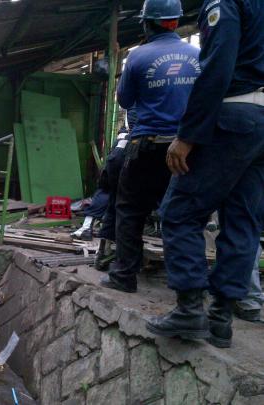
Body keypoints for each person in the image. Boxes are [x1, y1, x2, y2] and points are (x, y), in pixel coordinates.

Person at [146, 0, 264, 348]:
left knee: (180, 212)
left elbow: (217, 66)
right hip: (260, 127)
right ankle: (221, 320)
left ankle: (189, 309)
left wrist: (187, 135)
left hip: (233, 115)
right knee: (242, 220)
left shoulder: (226, 2)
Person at [100, 0, 200, 293]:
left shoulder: (139, 56)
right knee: (185, 215)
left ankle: (124, 276)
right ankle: (186, 289)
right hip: (189, 149)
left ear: (147, 23)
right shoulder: (199, 55)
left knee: (130, 210)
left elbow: (125, 101)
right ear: (176, 22)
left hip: (148, 146)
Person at [94, 126, 130, 270]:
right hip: (134, 158)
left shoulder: (122, 137)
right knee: (131, 211)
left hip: (118, 161)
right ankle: (124, 261)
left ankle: (104, 252)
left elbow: (112, 161)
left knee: (115, 205)